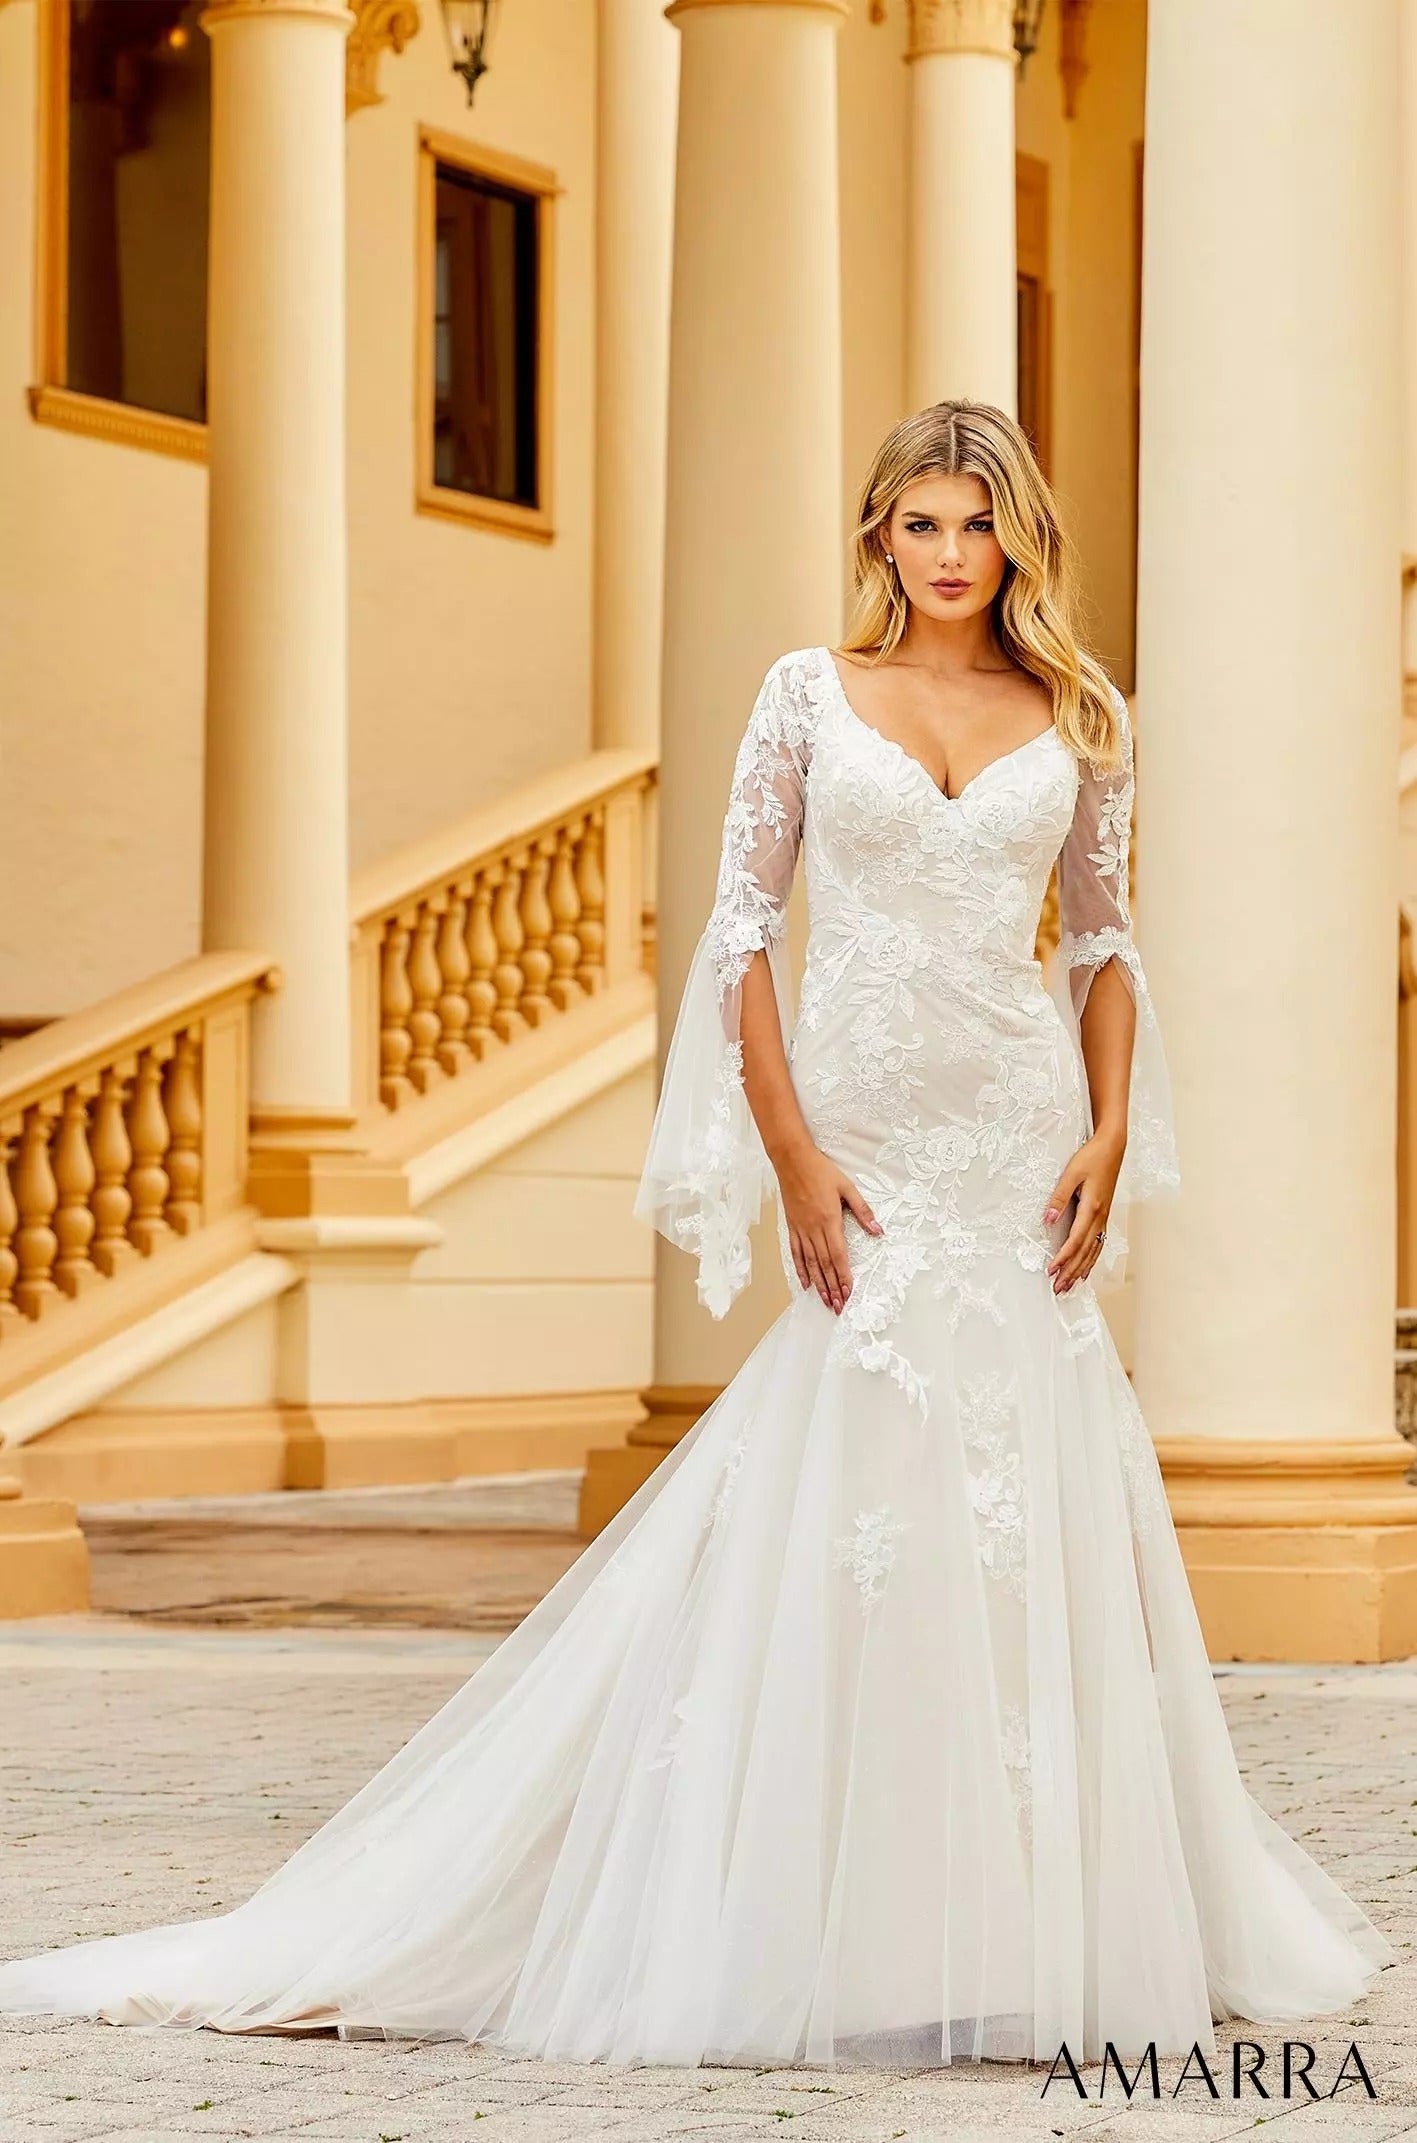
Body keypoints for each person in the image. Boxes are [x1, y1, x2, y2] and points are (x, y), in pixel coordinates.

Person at [0, 401, 1394, 2068]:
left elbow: (1101, 947)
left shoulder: (1081, 718)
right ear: (876, 533)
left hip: (1014, 1149)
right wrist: (792, 1153)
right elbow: (738, 934)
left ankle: (1033, 1916)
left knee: (1015, 1506)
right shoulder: (808, 695)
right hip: (866, 1145)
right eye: (922, 523)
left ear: (1018, 537)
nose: (952, 555)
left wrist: (1103, 1128)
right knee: (855, 1498)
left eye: (979, 525)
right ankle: (820, 1914)